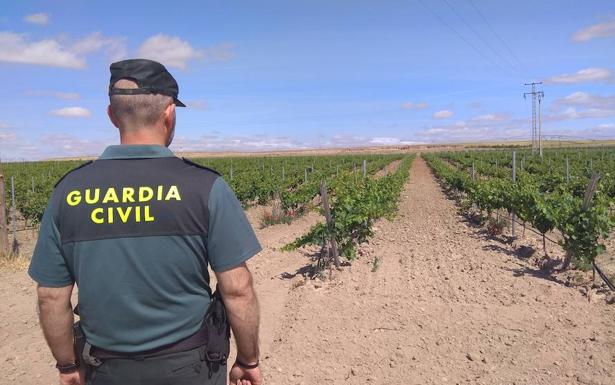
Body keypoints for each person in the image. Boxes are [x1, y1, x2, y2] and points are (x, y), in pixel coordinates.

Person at [28, 58, 263, 385]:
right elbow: (238, 289)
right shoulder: (205, 187)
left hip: (105, 369)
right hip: (191, 367)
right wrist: (248, 360)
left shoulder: (68, 191)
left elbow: (50, 296)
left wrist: (67, 366)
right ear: (170, 113)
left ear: (112, 115)